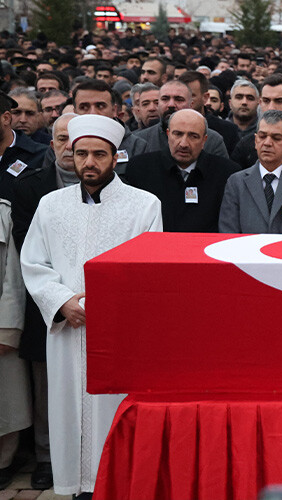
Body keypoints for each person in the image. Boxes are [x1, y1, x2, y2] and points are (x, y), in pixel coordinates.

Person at [20, 114, 162, 498]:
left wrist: (109, 307)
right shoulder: (51, 205)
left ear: (116, 157)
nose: (89, 163)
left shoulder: (144, 206)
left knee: (113, 414)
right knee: (68, 411)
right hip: (67, 331)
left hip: (118, 336)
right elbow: (33, 263)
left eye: (99, 154)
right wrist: (62, 301)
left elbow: (149, 270)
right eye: (81, 153)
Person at [10, 113, 79, 491]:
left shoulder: (116, 187)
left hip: (90, 300)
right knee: (46, 385)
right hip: (46, 300)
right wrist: (60, 294)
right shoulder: (29, 187)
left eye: (76, 139)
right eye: (61, 138)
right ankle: (47, 456)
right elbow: (28, 250)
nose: (69, 147)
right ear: (50, 143)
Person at [125, 109, 240, 232]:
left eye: (193, 136)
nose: (184, 144)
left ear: (204, 140)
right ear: (168, 134)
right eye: (178, 134)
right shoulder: (140, 168)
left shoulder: (227, 173)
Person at [0, 194, 27, 490]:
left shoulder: (3, 211)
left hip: (0, 320)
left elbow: (13, 275)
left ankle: (4, 461)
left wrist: (7, 326)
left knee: (5, 399)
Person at [133, 80, 228, 158]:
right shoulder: (140, 140)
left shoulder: (213, 141)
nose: (171, 105)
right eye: (165, 99)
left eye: (179, 99)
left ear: (191, 105)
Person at [0, 91, 48, 202]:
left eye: (30, 113)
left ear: (6, 118)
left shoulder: (42, 155)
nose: (23, 119)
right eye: (17, 113)